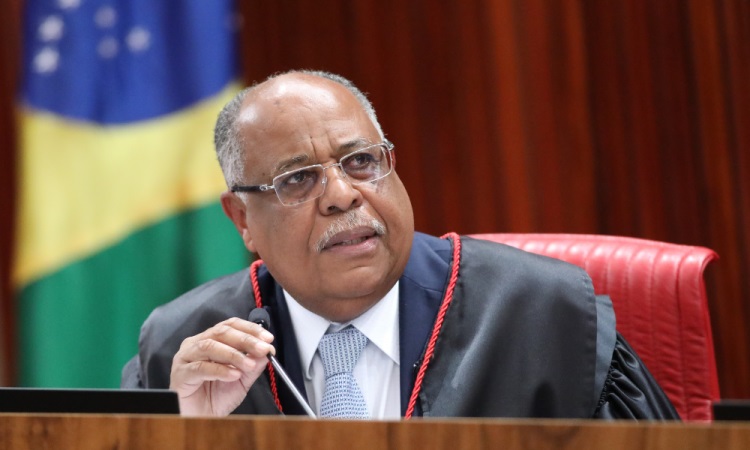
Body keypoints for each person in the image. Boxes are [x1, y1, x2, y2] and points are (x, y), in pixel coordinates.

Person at [121, 70, 678, 420]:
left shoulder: (546, 317)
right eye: (298, 179)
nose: (342, 195)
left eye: (361, 161)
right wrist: (183, 437)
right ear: (242, 218)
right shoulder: (178, 354)